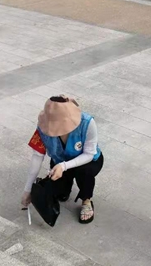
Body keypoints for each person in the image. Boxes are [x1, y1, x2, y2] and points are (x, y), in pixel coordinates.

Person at [21, 96, 104, 224]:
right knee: (59, 192)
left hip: (87, 162)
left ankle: (86, 200)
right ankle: (65, 186)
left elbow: (89, 154)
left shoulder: (87, 123)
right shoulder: (42, 127)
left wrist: (64, 166)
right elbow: (37, 156)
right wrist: (28, 190)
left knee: (85, 173)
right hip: (59, 161)